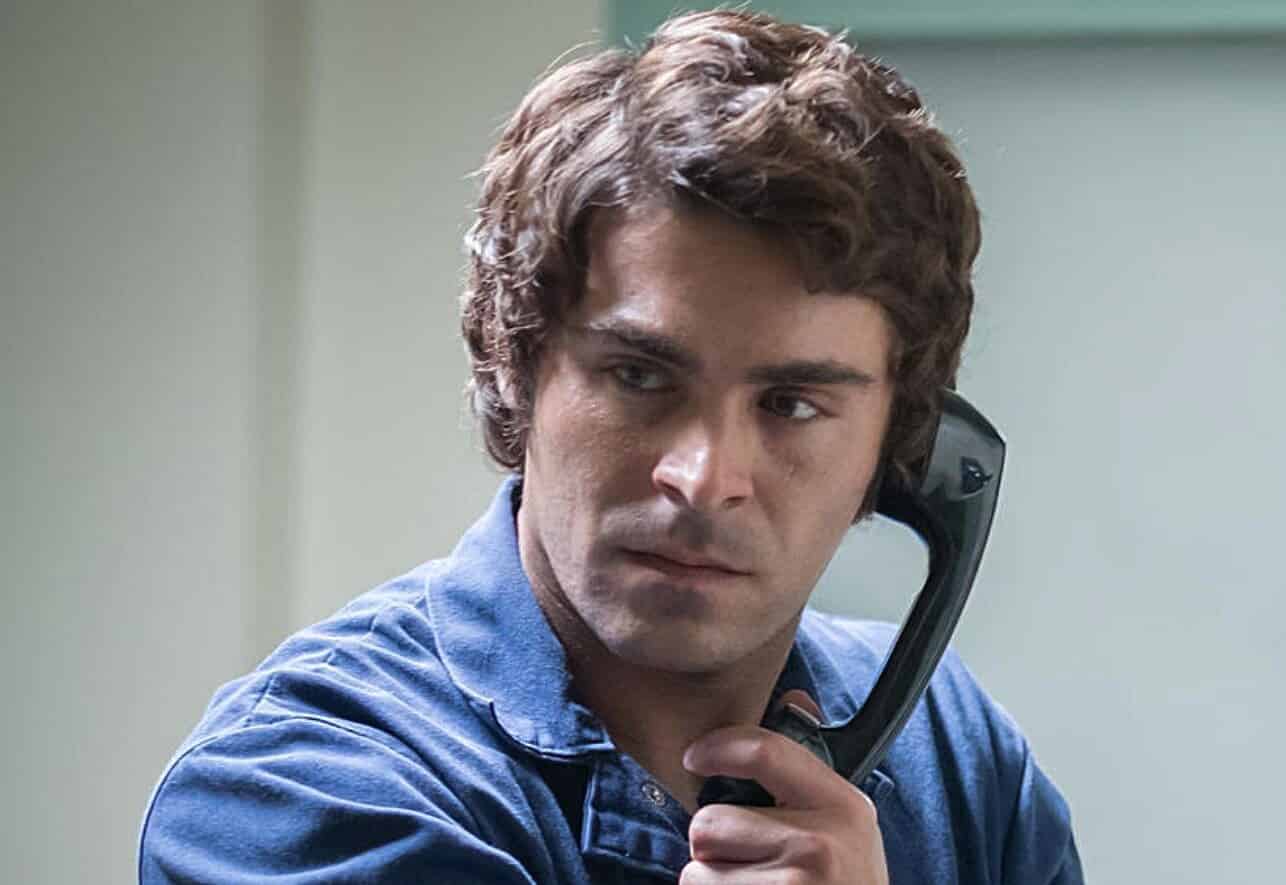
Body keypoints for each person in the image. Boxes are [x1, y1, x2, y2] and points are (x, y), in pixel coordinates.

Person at [139, 10, 1085, 883]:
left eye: (791, 404)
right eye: (639, 376)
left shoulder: (955, 756)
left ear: (903, 449)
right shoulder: (296, 791)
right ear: (517, 365)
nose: (704, 478)